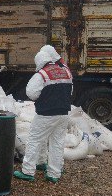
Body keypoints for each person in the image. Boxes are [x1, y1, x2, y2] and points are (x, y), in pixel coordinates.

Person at [14, 48, 72, 184]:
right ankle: (54, 174)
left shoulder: (42, 74)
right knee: (57, 143)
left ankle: (27, 171)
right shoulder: (66, 71)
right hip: (63, 113)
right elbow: (71, 90)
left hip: (46, 114)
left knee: (34, 140)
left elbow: (31, 93)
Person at [35, 44, 69, 172]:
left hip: (47, 108)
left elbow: (35, 90)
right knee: (57, 141)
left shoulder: (50, 68)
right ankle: (54, 167)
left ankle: (42, 163)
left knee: (40, 137)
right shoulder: (63, 66)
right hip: (62, 108)